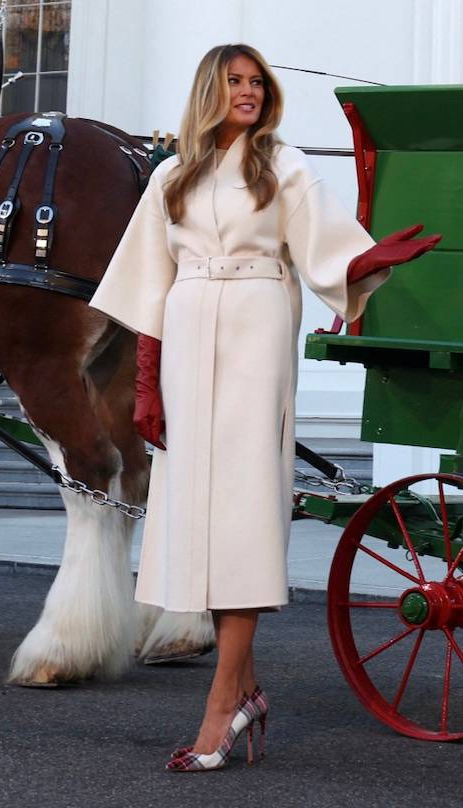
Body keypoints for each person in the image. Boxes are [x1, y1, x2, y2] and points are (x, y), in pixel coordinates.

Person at [90, 44, 439, 772]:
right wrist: (146, 385)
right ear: (208, 92)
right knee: (196, 516)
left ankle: (221, 707)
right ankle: (245, 691)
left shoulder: (280, 166)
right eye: (234, 82)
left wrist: (370, 261)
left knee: (242, 513)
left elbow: (325, 252)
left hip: (255, 328)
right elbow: (147, 287)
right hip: (185, 332)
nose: (247, 92)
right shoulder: (169, 176)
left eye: (255, 83)